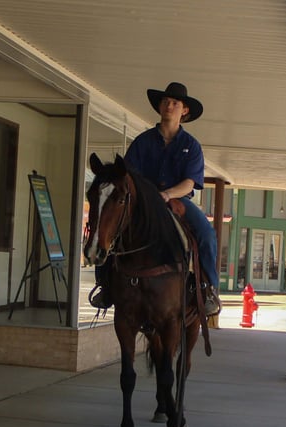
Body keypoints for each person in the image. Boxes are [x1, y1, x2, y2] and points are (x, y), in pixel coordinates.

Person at [90, 82, 221, 316]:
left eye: (175, 103)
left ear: (184, 110)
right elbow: (127, 177)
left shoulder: (191, 146)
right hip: (143, 204)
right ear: (159, 107)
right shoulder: (143, 142)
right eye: (165, 102)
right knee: (113, 228)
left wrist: (167, 194)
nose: (169, 106)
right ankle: (105, 285)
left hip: (178, 201)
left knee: (207, 234)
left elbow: (190, 183)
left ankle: (208, 288)